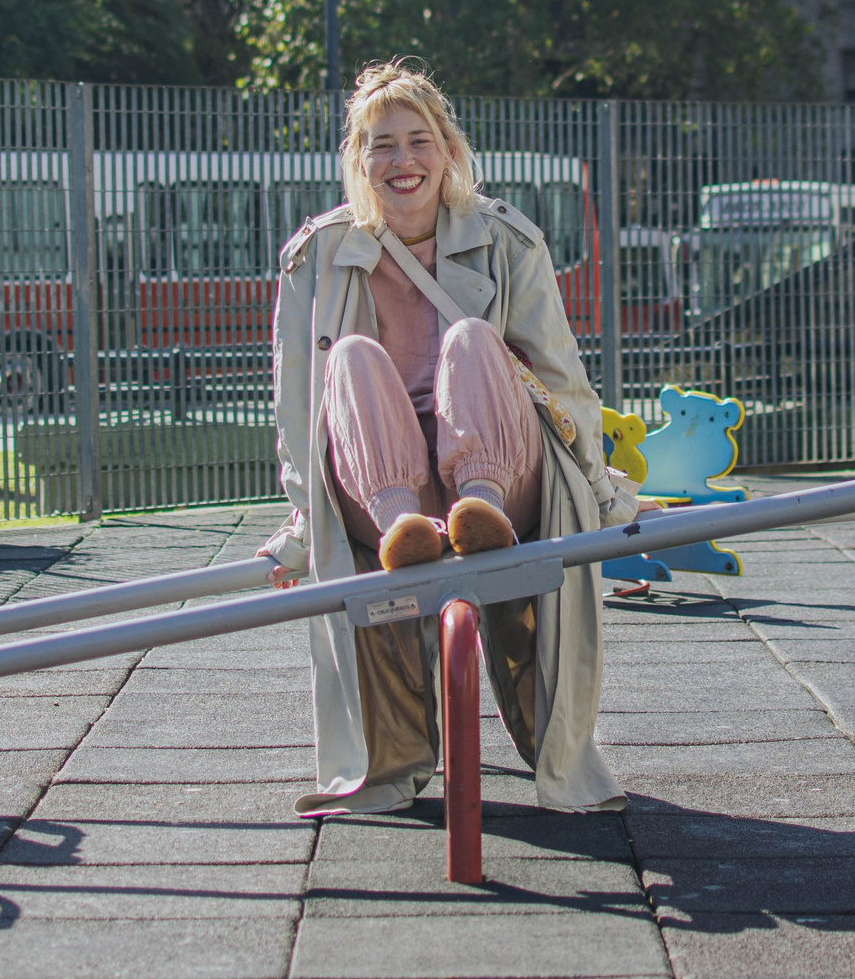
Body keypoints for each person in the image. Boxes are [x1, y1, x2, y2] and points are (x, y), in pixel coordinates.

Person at [262, 60, 632, 817]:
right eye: (382, 144)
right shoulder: (318, 256)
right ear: (358, 161)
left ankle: (479, 509)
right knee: (353, 359)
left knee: (473, 337)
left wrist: (603, 489)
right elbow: (300, 413)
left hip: (499, 473)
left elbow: (561, 380)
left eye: (418, 140)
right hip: (382, 487)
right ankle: (408, 526)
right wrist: (303, 523)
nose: (403, 161)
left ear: (449, 150)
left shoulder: (505, 238)